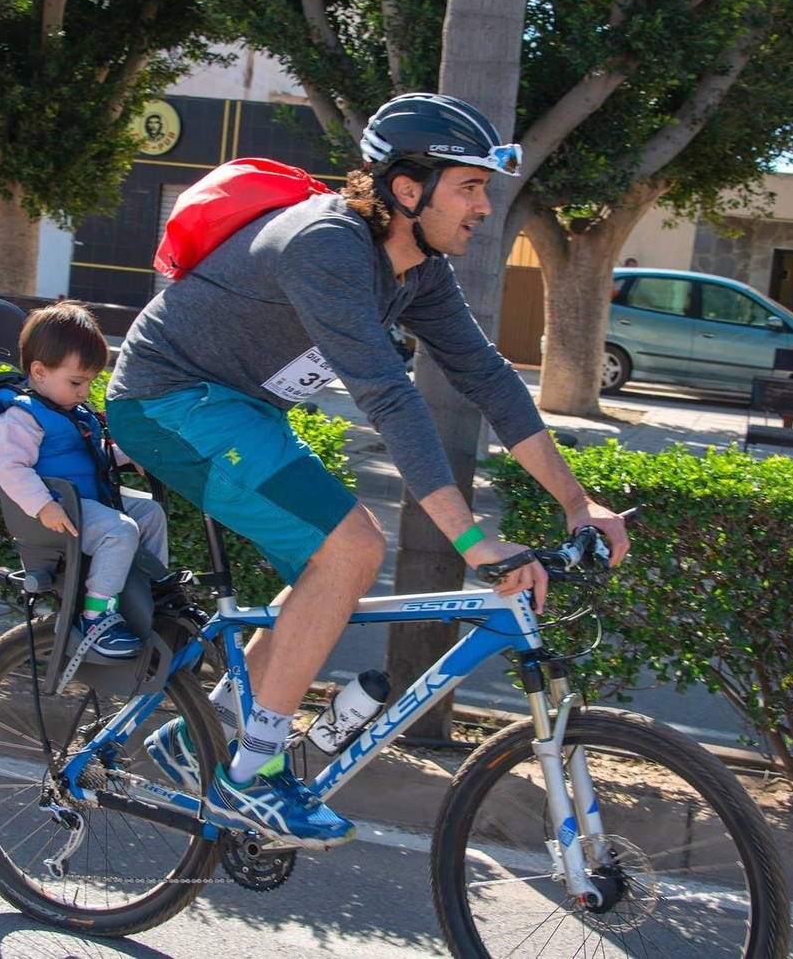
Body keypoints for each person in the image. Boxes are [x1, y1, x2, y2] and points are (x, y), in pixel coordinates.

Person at [107, 92, 629, 847]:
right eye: (470, 187)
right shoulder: (327, 246)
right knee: (351, 545)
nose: (485, 207)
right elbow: (390, 397)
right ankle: (248, 779)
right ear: (407, 188)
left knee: (336, 557)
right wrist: (471, 540)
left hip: (241, 410)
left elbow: (485, 377)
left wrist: (580, 504)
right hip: (169, 402)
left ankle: (206, 735)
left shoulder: (417, 269)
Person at [0, 302, 168, 659]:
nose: (85, 392)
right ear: (39, 372)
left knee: (150, 513)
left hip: (88, 504)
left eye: (90, 381)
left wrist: (127, 456)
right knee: (121, 530)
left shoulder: (70, 411)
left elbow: (93, 457)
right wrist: (43, 505)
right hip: (60, 512)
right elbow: (10, 467)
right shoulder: (23, 417)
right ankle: (97, 617)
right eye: (76, 382)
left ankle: (151, 593)